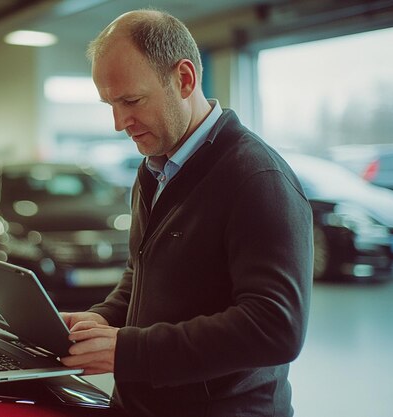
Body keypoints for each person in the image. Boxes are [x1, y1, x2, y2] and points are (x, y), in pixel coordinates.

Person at [59, 10, 313, 417]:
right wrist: (98, 322)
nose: (119, 123)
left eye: (131, 101)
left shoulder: (257, 177)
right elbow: (141, 274)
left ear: (184, 79)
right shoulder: (154, 168)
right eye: (110, 104)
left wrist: (129, 350)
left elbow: (275, 327)